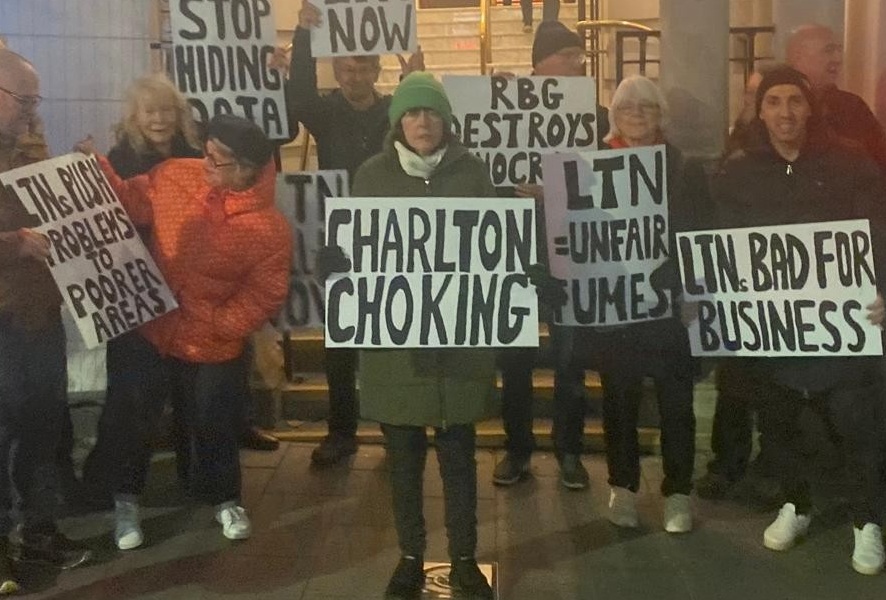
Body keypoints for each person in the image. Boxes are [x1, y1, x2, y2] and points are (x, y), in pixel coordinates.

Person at [319, 72, 496, 600]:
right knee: (403, 464)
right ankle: (411, 557)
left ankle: (463, 558)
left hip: (459, 346)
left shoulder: (473, 174)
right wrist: (338, 260)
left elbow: (493, 248)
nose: (423, 122)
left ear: (446, 121)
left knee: (461, 460)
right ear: (398, 122)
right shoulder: (371, 176)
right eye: (413, 113)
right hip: (397, 351)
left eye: (432, 113)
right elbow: (357, 251)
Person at [79, 114, 292, 549]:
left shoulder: (270, 229)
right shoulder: (174, 174)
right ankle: (126, 502)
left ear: (250, 170)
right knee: (131, 417)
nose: (206, 163)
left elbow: (264, 295)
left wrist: (216, 324)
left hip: (210, 342)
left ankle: (225, 499)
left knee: (214, 422)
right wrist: (95, 166)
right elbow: (127, 201)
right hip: (149, 326)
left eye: (220, 160)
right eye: (207, 152)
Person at [711, 65, 886, 575]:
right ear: (759, 110)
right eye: (773, 102)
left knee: (857, 423)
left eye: (794, 101)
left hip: (844, 325)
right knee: (780, 422)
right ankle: (797, 504)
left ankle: (867, 520)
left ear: (810, 107)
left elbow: (879, 228)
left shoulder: (851, 162)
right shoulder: (738, 171)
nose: (784, 112)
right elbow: (723, 245)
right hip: (773, 331)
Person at [287, 1, 423, 468]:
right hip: (340, 241)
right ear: (337, 69)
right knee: (341, 344)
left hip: (390, 239)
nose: (353, 72)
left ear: (376, 68)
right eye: (345, 64)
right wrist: (303, 39)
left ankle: (394, 428)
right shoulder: (324, 115)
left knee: (389, 340)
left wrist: (415, 81)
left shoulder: (395, 112)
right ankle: (341, 432)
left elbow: (425, 128)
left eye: (362, 64)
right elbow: (299, 97)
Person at [492, 20, 610, 490]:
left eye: (581, 56)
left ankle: (569, 452)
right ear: (540, 63)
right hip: (517, 250)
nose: (578, 63)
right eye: (568, 55)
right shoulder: (500, 113)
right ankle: (517, 449)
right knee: (515, 360)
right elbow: (489, 176)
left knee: (569, 359)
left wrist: (557, 192)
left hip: (570, 250)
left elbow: (606, 184)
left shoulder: (596, 118)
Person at [0, 48, 91, 594]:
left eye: (36, 101)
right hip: (4, 320)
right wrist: (15, 244)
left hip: (38, 316)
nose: (34, 112)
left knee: (43, 429)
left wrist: (76, 178)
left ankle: (40, 531)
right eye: (25, 100)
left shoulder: (26, 149)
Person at [787, 24, 886, 172]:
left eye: (839, 50)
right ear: (798, 56)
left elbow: (879, 158)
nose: (838, 59)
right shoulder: (776, 103)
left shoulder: (852, 106)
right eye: (829, 50)